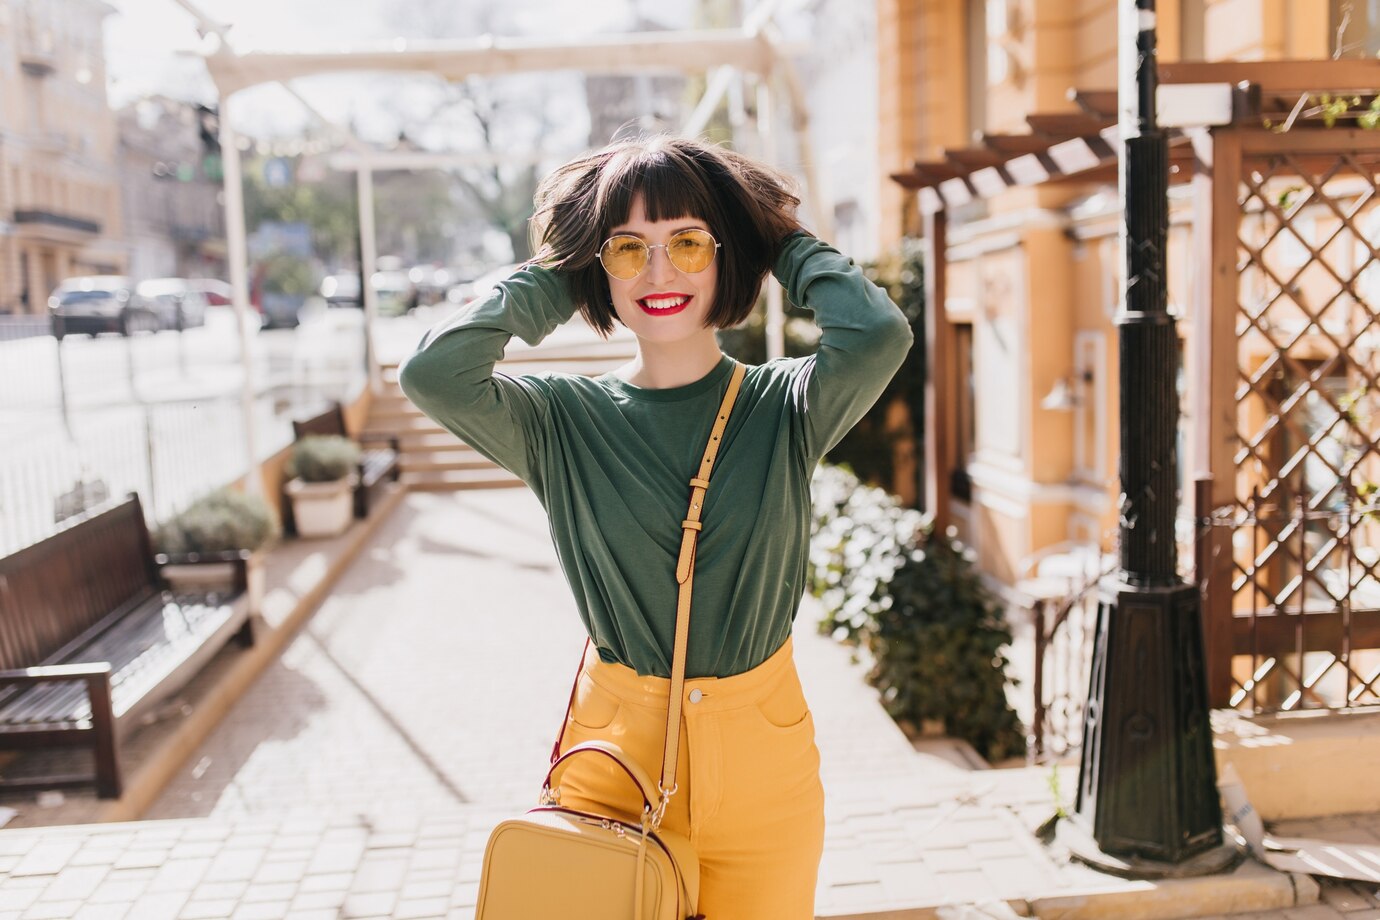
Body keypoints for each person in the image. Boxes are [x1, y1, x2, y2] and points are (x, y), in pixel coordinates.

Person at [399, 135, 912, 918]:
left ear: (726, 255)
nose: (661, 271)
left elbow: (878, 334)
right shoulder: (560, 420)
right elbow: (434, 373)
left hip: (763, 773)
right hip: (614, 767)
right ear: (598, 269)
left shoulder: (786, 408)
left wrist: (779, 243)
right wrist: (563, 276)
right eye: (629, 248)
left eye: (690, 242)